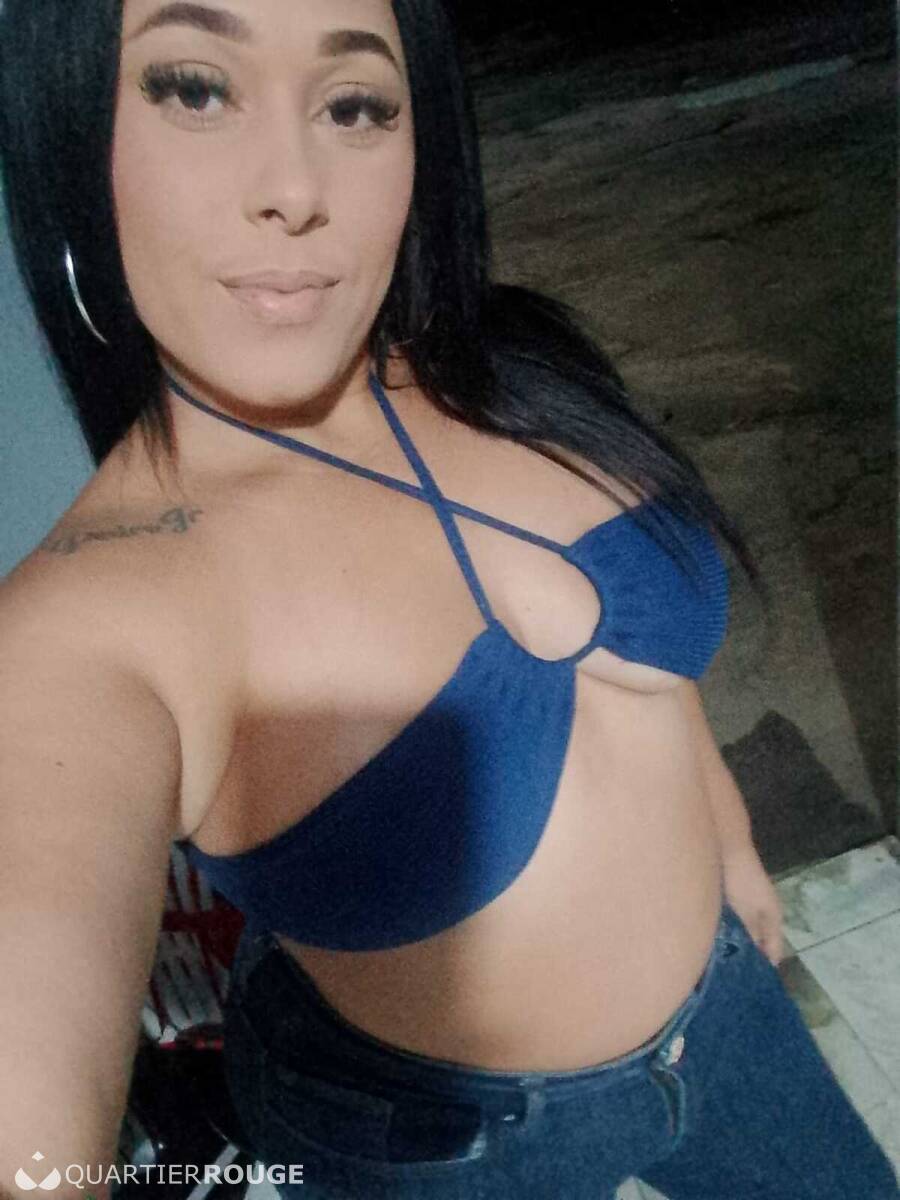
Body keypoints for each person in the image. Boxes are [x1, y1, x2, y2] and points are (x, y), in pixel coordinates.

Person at [0, 2, 896, 1199]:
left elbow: (648, 682)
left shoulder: (511, 362)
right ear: (68, 133)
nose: (294, 187)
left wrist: (730, 845)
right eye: (197, 90)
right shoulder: (85, 629)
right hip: (439, 1149)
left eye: (354, 104)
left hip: (726, 1019)